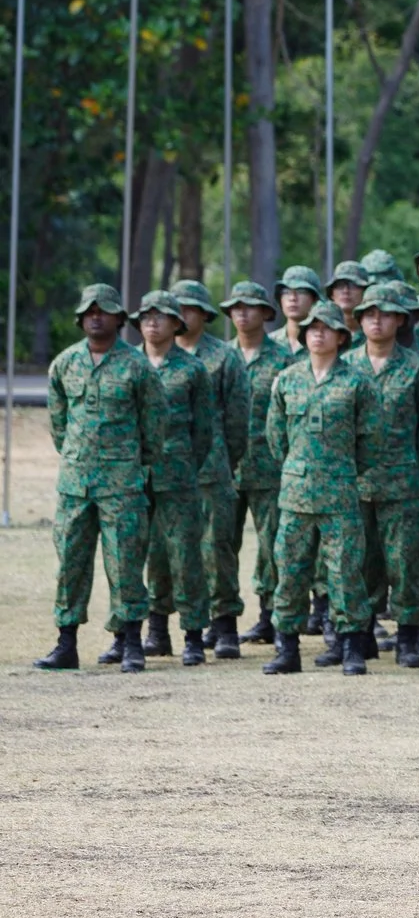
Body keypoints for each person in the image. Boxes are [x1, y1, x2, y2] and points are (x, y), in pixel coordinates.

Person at [33, 285, 163, 672]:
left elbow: (153, 427)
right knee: (71, 561)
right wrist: (77, 456)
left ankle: (132, 643)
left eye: (104, 311)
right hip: (75, 484)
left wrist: (133, 465)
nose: (95, 316)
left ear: (120, 320)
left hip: (122, 482)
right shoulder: (64, 364)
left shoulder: (136, 366)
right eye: (89, 311)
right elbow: (59, 424)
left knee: (124, 563)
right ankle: (66, 642)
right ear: (80, 318)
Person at [261, 301, 377, 676]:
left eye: (326, 328)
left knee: (344, 572)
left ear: (341, 337)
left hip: (340, 493)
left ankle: (351, 647)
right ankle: (287, 648)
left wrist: (342, 470)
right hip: (295, 495)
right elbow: (276, 436)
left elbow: (370, 441)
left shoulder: (357, 382)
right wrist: (297, 469)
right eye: (311, 328)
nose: (317, 333)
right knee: (290, 571)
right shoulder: (288, 379)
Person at [356, 283, 419, 668]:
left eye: (385, 314)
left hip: (404, 484)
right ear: (360, 320)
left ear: (399, 320)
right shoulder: (346, 367)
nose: (377, 320)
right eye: (369, 313)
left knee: (405, 564)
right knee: (361, 564)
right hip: (356, 485)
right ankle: (361, 636)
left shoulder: (418, 369)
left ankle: (408, 638)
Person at [133, 290, 217, 666]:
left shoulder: (191, 369)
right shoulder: (127, 364)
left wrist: (186, 462)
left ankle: (194, 635)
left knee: (185, 557)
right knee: (141, 556)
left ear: (175, 324)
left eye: (161, 316)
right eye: (147, 316)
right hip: (133, 475)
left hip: (179, 473)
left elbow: (204, 430)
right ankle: (151, 632)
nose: (153, 322)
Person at [168, 280, 250, 659]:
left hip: (213, 468)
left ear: (203, 315)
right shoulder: (152, 355)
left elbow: (237, 420)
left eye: (190, 309)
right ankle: (167, 624)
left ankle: (225, 624)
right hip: (168, 470)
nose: (183, 315)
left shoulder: (224, 357)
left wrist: (224, 460)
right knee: (167, 550)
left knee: (217, 548)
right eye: (177, 308)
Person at [221, 282, 296, 647]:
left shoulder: (284, 359)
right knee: (219, 545)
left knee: (273, 548)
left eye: (251, 307)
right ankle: (223, 623)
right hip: (225, 470)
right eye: (236, 307)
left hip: (270, 470)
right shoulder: (221, 357)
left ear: (266, 314)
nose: (242, 313)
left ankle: (271, 617)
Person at [277, 265, 322, 353]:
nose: (292, 298)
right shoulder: (269, 343)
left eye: (301, 292)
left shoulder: (322, 343)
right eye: (286, 292)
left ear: (314, 299)